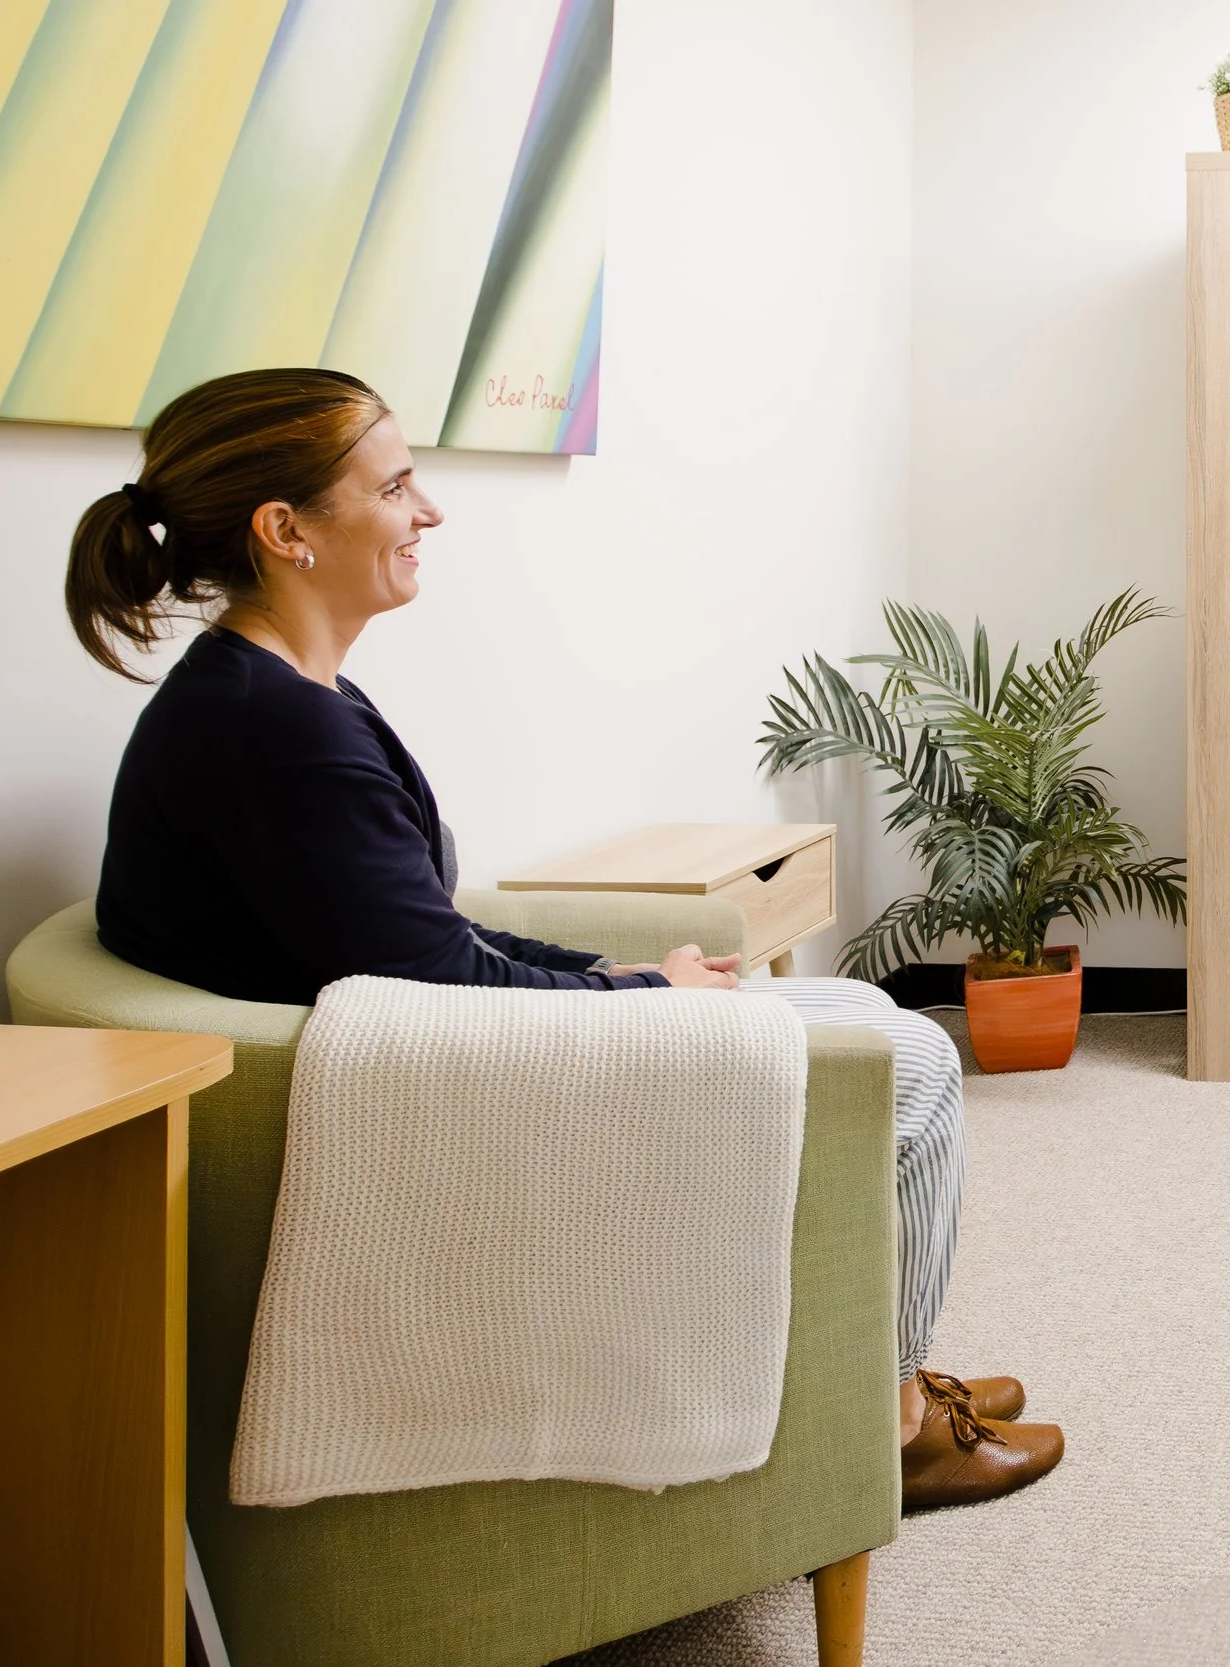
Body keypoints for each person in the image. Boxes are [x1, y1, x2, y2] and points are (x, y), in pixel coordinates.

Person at [69, 368, 1056, 1510]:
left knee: (871, 1024)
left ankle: (870, 1381)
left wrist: (622, 972)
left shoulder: (280, 695)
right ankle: (892, 1429)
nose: (428, 511)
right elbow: (437, 978)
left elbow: (423, 933)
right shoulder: (274, 732)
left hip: (419, 1049)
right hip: (428, 1085)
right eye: (395, 487)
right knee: (919, 1064)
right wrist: (650, 995)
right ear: (286, 530)